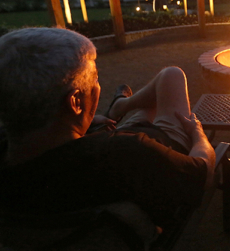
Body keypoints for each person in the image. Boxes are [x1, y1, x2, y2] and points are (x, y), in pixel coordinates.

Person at [0, 27, 215, 230]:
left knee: (151, 102)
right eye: (95, 79)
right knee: (171, 76)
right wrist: (197, 133)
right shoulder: (128, 151)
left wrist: (84, 124)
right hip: (151, 152)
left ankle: (120, 106)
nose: (97, 86)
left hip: (107, 148)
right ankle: (121, 105)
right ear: (75, 102)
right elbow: (202, 172)